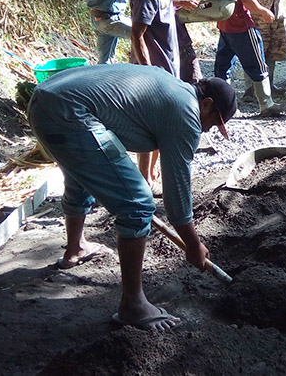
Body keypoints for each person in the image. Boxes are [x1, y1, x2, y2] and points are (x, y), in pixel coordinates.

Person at [27, 64, 236, 330]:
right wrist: (193, 245)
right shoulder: (187, 114)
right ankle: (133, 305)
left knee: (83, 174)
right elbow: (177, 195)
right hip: (68, 113)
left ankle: (75, 248)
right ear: (206, 104)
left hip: (45, 100)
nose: (207, 131)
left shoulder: (172, 89)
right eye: (214, 123)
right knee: (138, 205)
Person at [131, 0, 199, 185]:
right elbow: (137, 34)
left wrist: (179, 2)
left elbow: (163, 3)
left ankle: (151, 172)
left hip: (169, 65)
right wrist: (149, 73)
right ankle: (144, 180)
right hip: (154, 71)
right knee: (150, 127)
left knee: (163, 124)